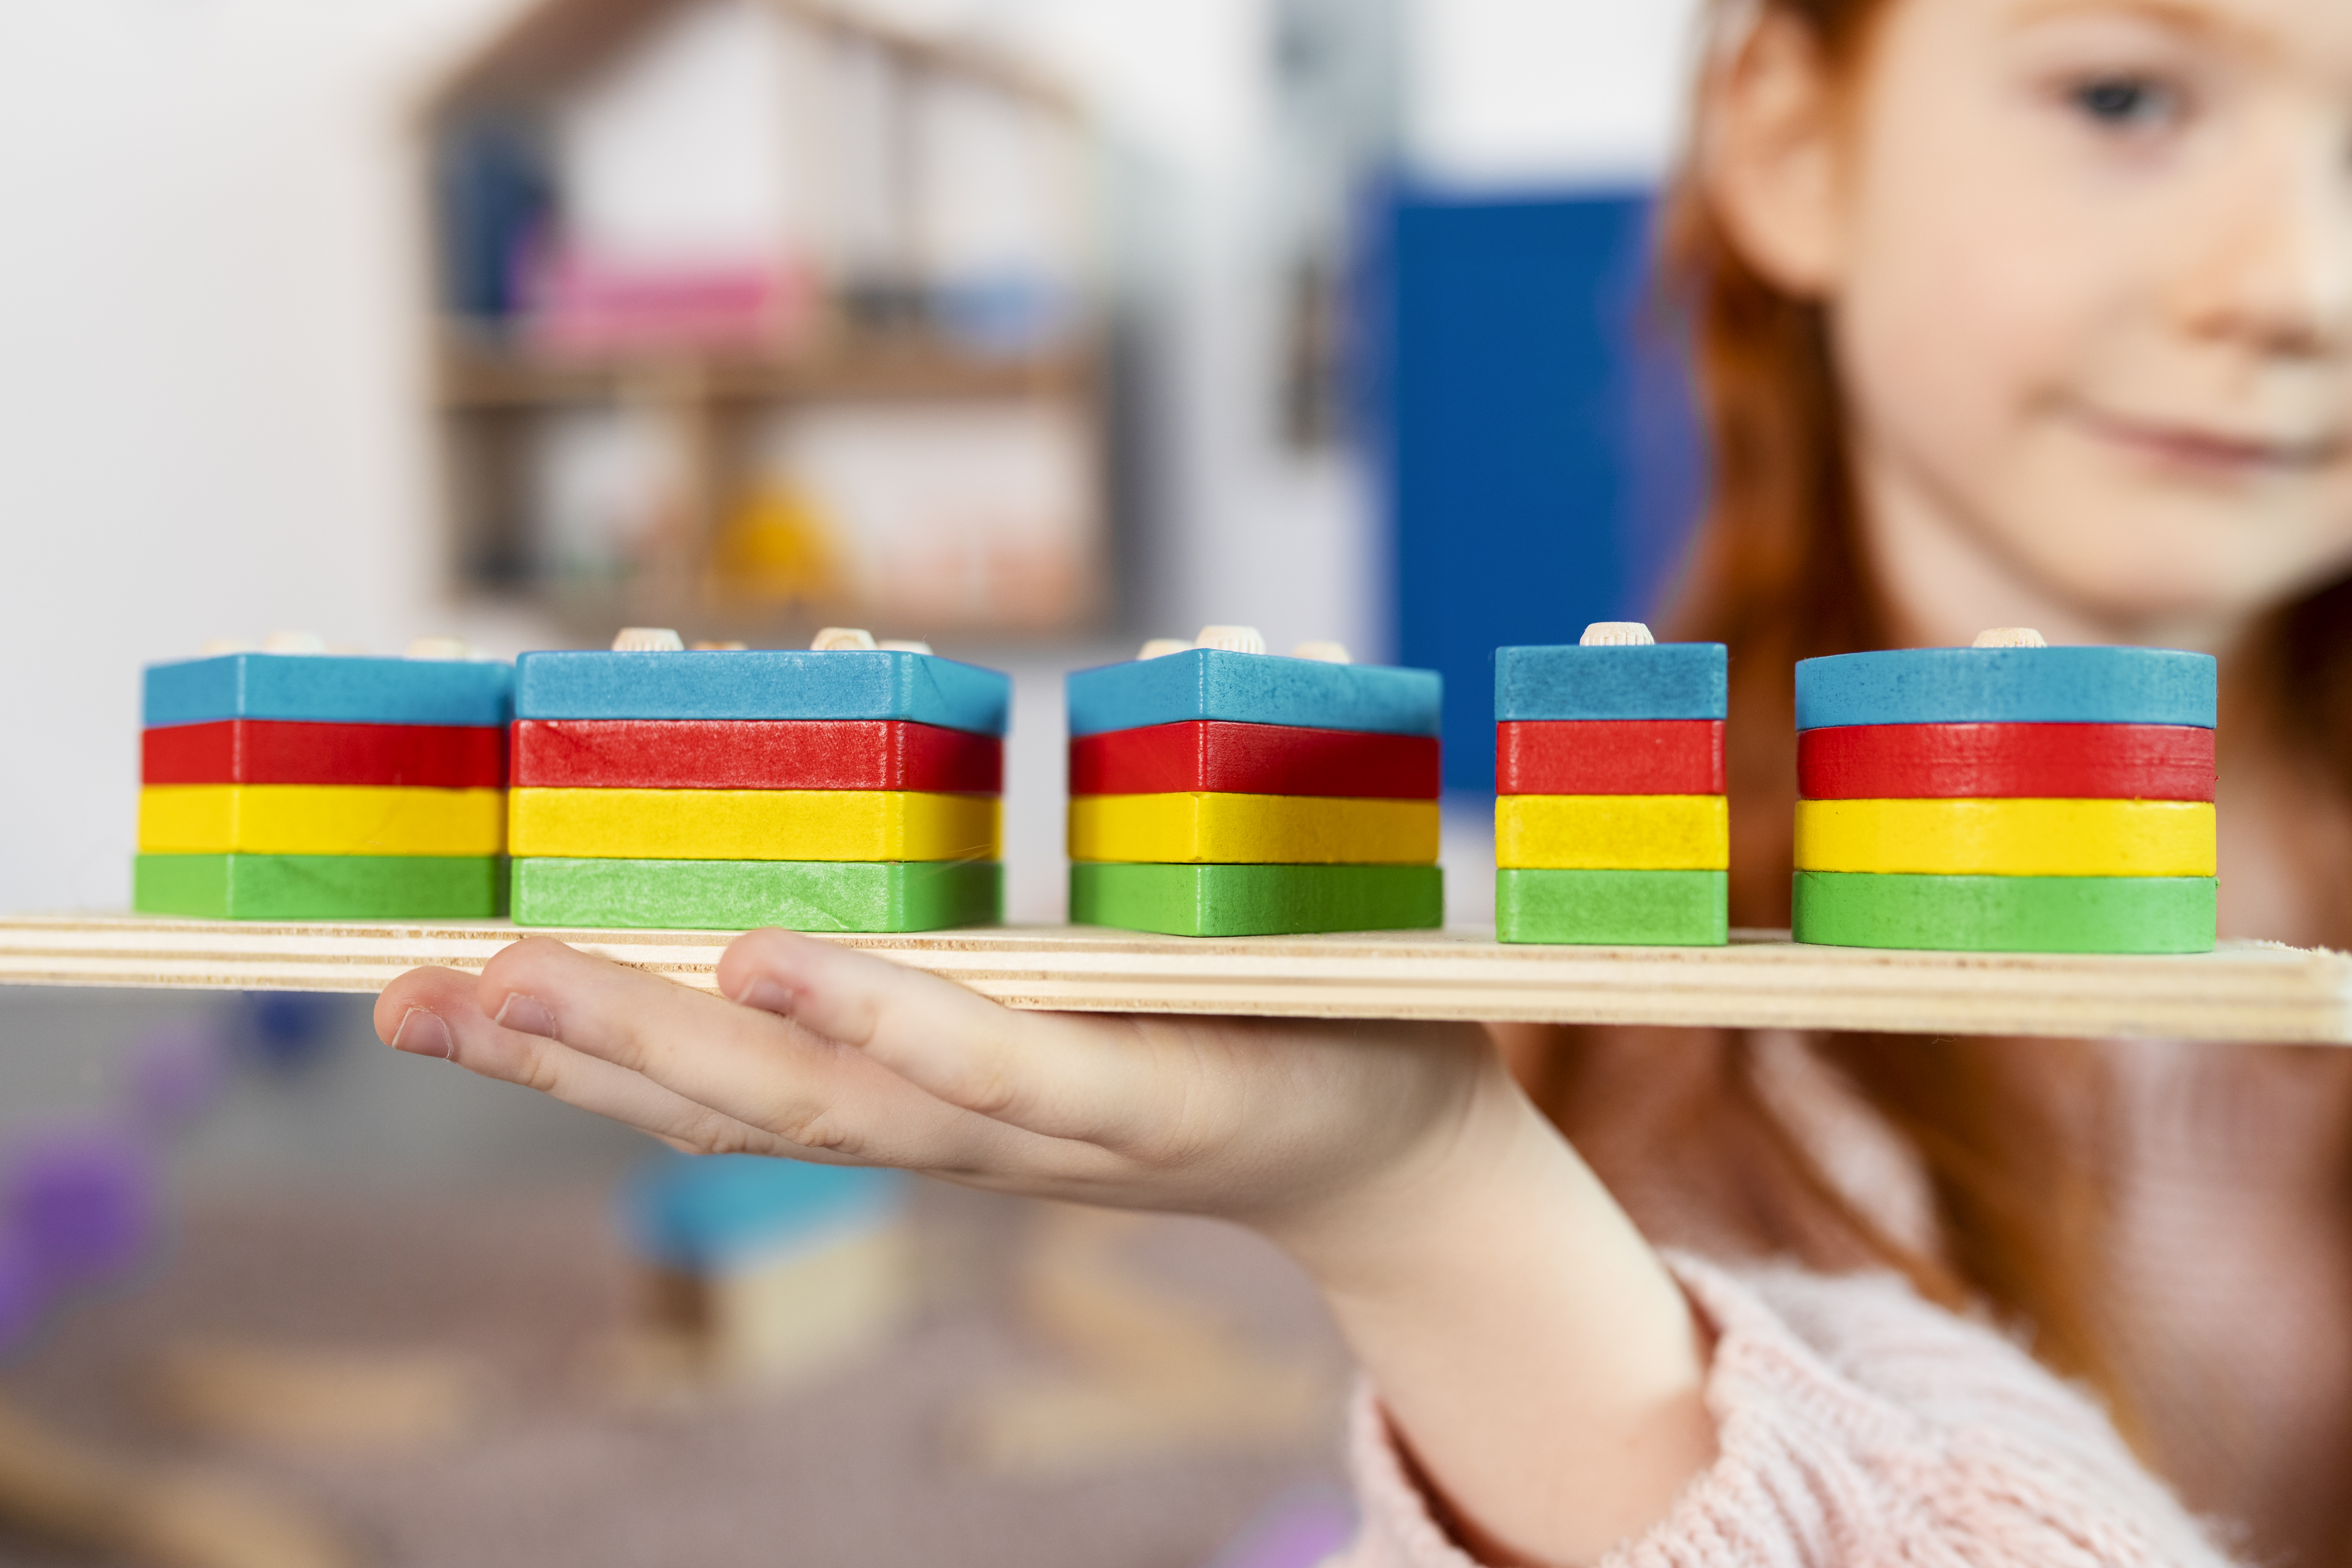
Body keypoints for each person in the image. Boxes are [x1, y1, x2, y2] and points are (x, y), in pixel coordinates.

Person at [374, 0, 2352, 1562]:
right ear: (1784, 135)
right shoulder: (1593, 982)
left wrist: (1447, 1217)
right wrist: (1438, 1216)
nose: (2298, 282)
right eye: (2120, 95)